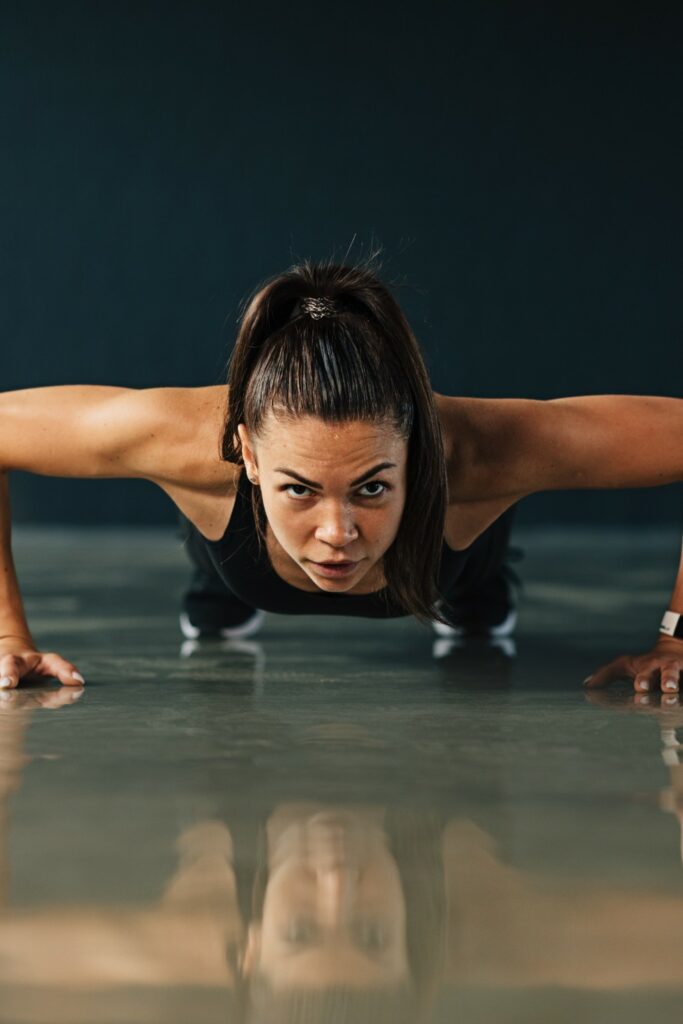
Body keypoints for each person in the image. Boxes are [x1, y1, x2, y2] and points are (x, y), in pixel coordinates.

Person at [0, 258, 681, 691]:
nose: (336, 533)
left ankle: (475, 589)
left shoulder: (482, 451)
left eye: (371, 487)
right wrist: (7, 640)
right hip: (235, 551)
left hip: (452, 562)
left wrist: (675, 637)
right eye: (299, 488)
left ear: (418, 455)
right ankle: (221, 587)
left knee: (472, 589)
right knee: (224, 564)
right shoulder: (180, 440)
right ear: (248, 454)